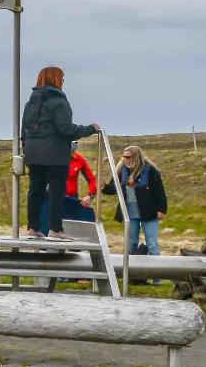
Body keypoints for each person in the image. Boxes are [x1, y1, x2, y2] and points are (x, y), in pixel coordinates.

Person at [21, 68, 99, 239]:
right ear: (57, 80)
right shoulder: (59, 102)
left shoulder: (30, 103)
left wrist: (26, 149)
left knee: (36, 190)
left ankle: (33, 228)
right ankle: (55, 229)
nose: (63, 81)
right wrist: (90, 129)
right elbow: (66, 129)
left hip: (33, 154)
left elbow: (24, 130)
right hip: (55, 155)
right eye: (62, 78)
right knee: (57, 192)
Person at [102, 146, 167, 254]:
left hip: (149, 211)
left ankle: (156, 269)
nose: (125, 159)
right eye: (124, 157)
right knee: (130, 244)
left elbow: (159, 191)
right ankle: (130, 269)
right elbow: (115, 188)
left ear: (136, 157)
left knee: (152, 244)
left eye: (128, 157)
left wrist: (161, 209)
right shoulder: (121, 171)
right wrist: (105, 188)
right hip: (130, 212)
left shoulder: (150, 170)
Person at [60, 149, 98, 224]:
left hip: (71, 199)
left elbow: (92, 180)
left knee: (70, 226)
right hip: (55, 197)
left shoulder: (79, 159)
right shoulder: (53, 157)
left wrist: (90, 196)